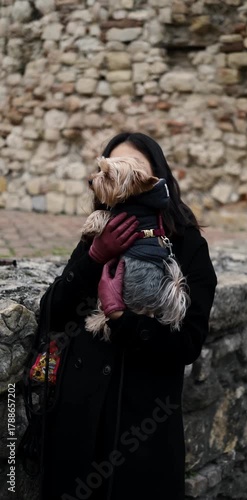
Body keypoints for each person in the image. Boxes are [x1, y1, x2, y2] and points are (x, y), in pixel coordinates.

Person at [38, 132, 217, 500]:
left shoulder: (188, 245)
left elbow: (187, 344)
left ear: (153, 176)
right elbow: (53, 315)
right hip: (77, 424)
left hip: (143, 434)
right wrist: (93, 258)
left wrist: (122, 317)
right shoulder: (99, 232)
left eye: (135, 166)